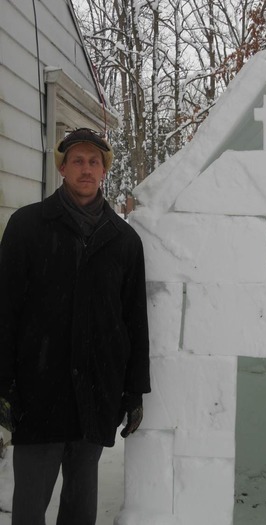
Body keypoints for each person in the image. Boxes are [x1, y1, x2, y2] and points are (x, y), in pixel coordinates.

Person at [0, 128, 150, 525]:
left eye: (95, 161)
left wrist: (134, 389)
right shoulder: (27, 227)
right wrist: (3, 384)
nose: (87, 168)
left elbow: (134, 319)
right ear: (63, 167)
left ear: (104, 172)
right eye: (78, 160)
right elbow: (5, 309)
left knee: (81, 509)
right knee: (30, 508)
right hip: (38, 392)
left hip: (95, 394)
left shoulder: (124, 240)